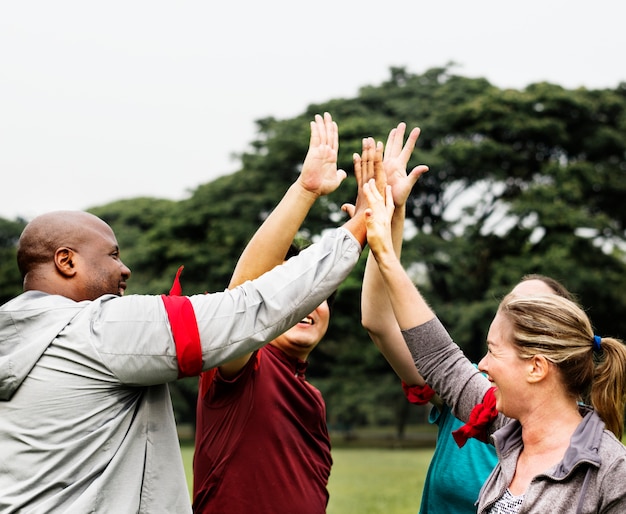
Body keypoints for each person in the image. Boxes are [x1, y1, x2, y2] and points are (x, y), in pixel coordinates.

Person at [0, 113, 375, 513]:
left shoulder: (18, 339)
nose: (124, 269)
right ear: (66, 261)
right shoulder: (99, 331)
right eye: (112, 256)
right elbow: (246, 310)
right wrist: (359, 227)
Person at [192, 122, 426, 514]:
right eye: (292, 298)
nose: (307, 307)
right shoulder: (240, 368)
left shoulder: (312, 398)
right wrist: (305, 191)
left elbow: (382, 314)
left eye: (316, 296)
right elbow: (239, 303)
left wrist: (389, 215)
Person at [361, 178, 626, 512]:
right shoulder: (508, 428)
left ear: (536, 366)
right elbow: (440, 357)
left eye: (494, 350)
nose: (481, 364)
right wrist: (384, 250)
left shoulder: (612, 472)